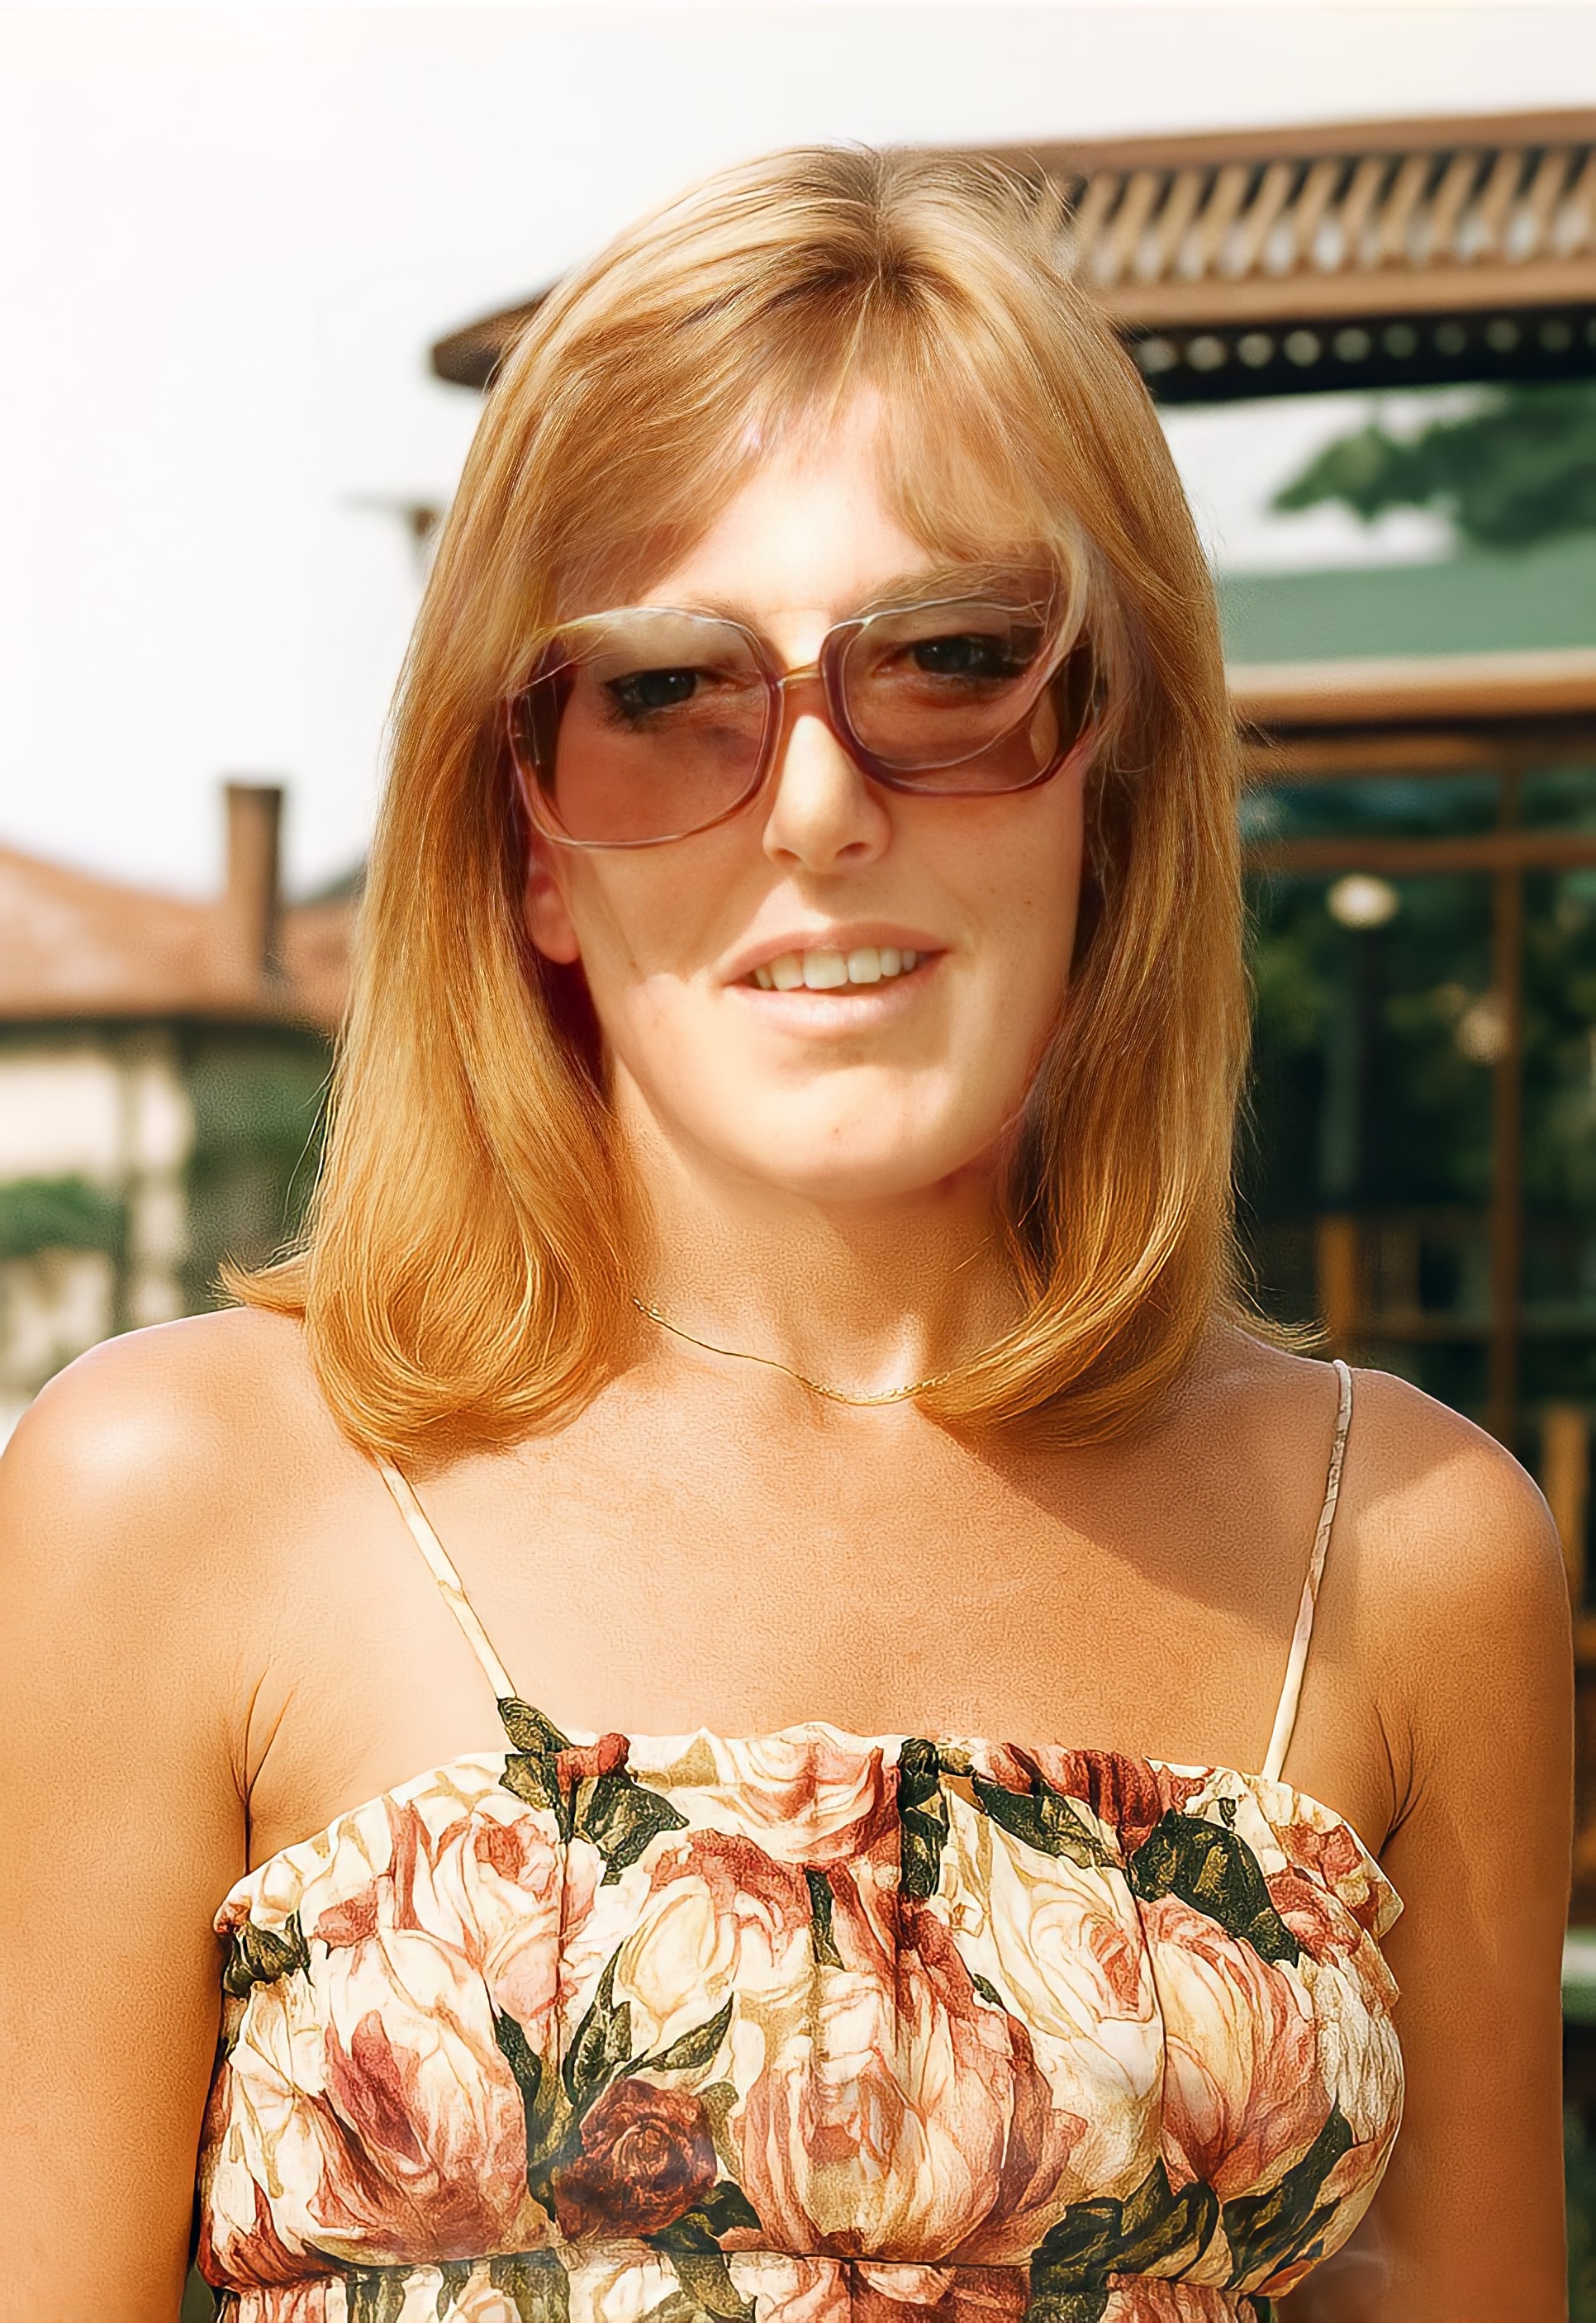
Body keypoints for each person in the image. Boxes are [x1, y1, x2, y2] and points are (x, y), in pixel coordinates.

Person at [0, 148, 1572, 2323]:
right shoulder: (177, 1497)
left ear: (1112, 778)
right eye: (666, 696)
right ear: (528, 839)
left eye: (952, 664)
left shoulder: (1401, 1544)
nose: (821, 807)